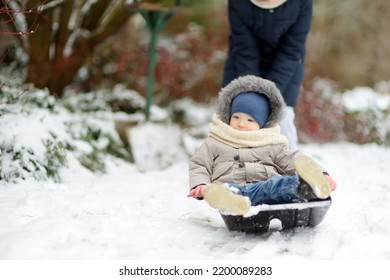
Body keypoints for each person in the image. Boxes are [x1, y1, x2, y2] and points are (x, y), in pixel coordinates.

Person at [188, 75, 336, 215]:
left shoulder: (271, 143)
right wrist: (200, 185)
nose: (241, 124)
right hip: (230, 188)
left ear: (262, 123)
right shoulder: (216, 140)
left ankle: (309, 185)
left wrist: (322, 174)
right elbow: (200, 164)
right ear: (228, 117)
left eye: (250, 120)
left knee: (281, 184)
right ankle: (227, 199)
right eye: (236, 117)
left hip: (266, 190)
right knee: (226, 191)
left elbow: (292, 159)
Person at [222, 0, 313, 150]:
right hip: (243, 66)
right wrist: (251, 93)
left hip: (286, 68)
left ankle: (292, 162)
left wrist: (269, 94)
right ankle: (232, 163)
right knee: (239, 115)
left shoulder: (302, 3)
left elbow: (291, 51)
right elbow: (246, 52)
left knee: (282, 117)